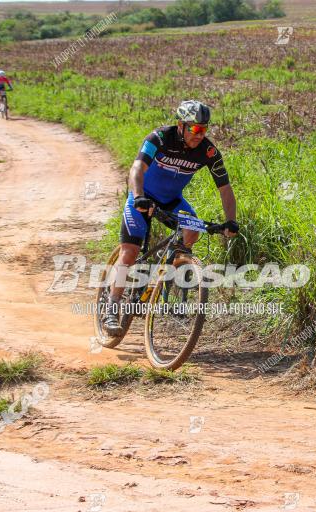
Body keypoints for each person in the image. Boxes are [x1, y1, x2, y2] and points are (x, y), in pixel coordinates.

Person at [102, 100, 240, 336]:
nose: (199, 134)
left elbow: (225, 188)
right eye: (195, 129)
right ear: (181, 125)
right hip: (143, 196)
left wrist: (231, 220)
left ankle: (165, 275)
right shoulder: (160, 138)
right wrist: (138, 197)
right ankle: (112, 307)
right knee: (131, 251)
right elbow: (136, 169)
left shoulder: (208, 151)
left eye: (204, 129)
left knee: (193, 229)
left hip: (172, 200)